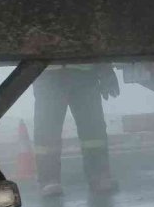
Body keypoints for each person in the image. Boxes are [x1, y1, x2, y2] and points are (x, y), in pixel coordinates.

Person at [33, 64, 119, 196]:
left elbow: (97, 43)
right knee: (47, 130)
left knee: (93, 131)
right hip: (50, 73)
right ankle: (48, 180)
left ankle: (99, 176)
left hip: (83, 73)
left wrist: (105, 68)